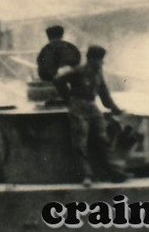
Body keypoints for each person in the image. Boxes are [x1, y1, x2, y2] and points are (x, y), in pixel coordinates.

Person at [53, 45, 128, 185]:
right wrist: (68, 98)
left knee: (103, 139)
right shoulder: (78, 71)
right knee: (80, 142)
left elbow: (104, 94)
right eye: (99, 59)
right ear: (91, 59)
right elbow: (58, 80)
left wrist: (115, 109)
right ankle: (87, 175)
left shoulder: (98, 73)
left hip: (92, 106)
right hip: (78, 106)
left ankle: (114, 172)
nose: (102, 62)